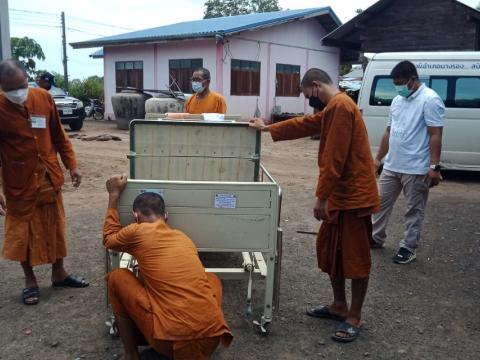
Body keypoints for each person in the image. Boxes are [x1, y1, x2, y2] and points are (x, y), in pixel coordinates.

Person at [249, 68, 380, 343]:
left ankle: (354, 315)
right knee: (332, 251)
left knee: (355, 258)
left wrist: (322, 197)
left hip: (352, 197)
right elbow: (307, 124)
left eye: (307, 94)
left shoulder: (342, 107)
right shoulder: (334, 106)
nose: (309, 100)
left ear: (316, 86)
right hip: (340, 196)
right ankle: (339, 305)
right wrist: (268, 127)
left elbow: (334, 158)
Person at [103, 174, 233, 360]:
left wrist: (114, 194)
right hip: (211, 340)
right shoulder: (184, 238)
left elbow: (108, 239)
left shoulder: (137, 230)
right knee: (210, 278)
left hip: (170, 343)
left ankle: (131, 355)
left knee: (117, 277)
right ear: (166, 216)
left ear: (136, 215)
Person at [0, 60, 88, 306]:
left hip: (49, 176)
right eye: (10, 89)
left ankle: (59, 273)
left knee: (55, 226)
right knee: (23, 234)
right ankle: (30, 281)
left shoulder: (43, 97)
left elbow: (59, 135)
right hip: (19, 182)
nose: (17, 93)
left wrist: (72, 166)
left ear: (27, 79)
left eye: (20, 86)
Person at [372, 61, 444, 264]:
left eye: (401, 83)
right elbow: (389, 131)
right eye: (396, 84)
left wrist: (434, 167)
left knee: (414, 210)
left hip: (416, 167)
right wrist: (378, 159)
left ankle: (408, 247)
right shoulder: (397, 100)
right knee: (379, 203)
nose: (398, 87)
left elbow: (435, 134)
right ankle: (375, 237)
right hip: (392, 165)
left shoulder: (430, 99)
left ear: (412, 79)